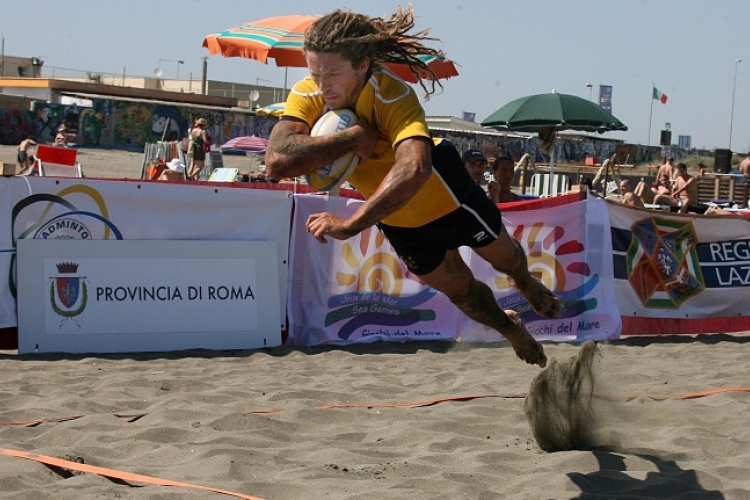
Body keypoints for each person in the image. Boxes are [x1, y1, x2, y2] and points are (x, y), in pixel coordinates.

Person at [266, 7, 559, 368]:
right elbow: (277, 161)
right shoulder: (308, 94)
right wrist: (354, 137)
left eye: (332, 74)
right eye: (315, 73)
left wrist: (350, 224)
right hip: (397, 216)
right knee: (462, 294)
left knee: (507, 258)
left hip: (445, 195)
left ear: (363, 65)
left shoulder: (391, 94)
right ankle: (510, 329)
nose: (323, 85)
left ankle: (524, 282)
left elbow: (414, 169)